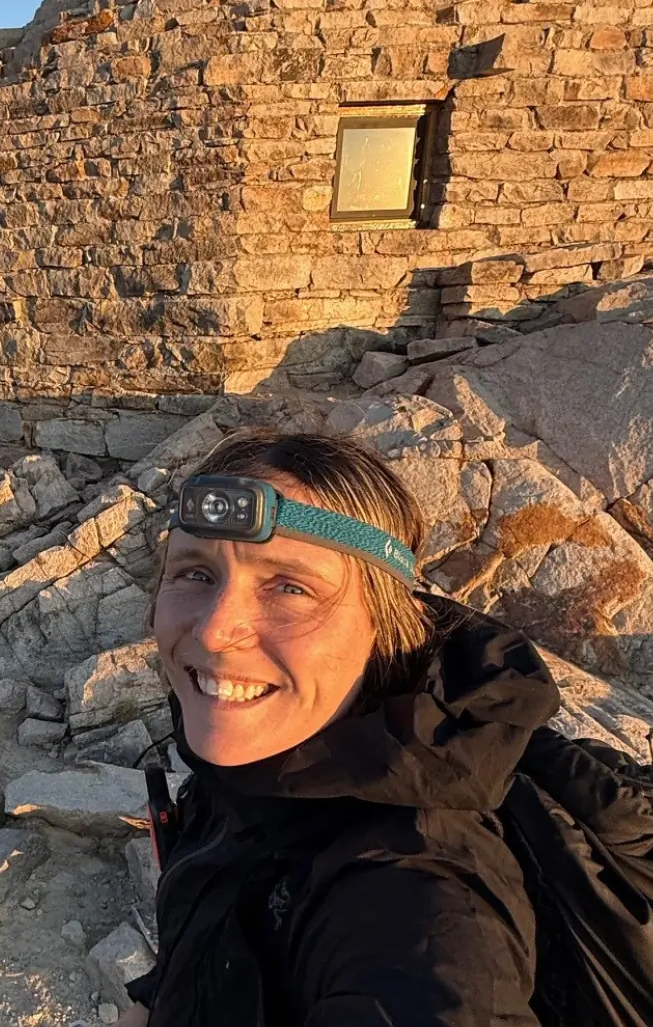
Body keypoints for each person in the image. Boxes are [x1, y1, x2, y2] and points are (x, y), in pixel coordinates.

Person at [119, 428, 557, 1026]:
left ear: (384, 626)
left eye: (290, 587)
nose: (215, 631)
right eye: (195, 573)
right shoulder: (265, 763)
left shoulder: (415, 899)